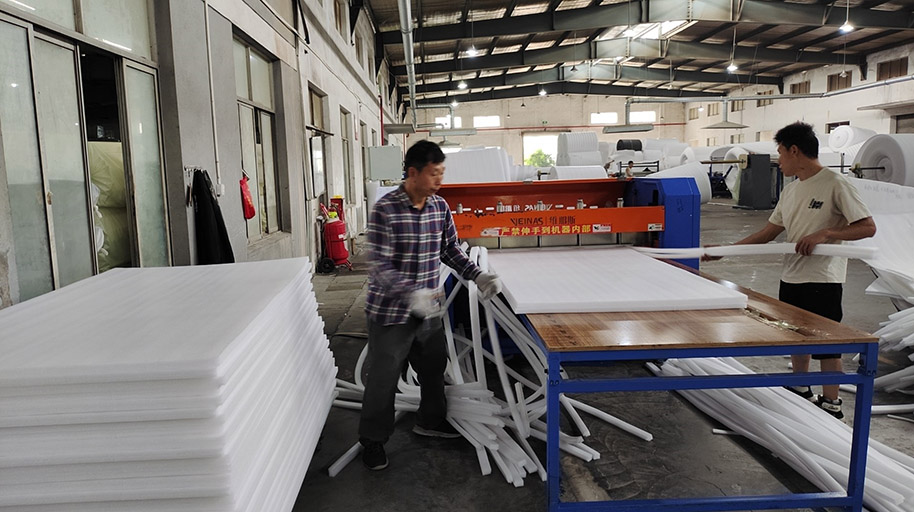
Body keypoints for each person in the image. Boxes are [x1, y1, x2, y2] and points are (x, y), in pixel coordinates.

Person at [703, 122, 876, 419]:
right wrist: (726, 250)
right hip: (791, 275)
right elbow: (768, 233)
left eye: (781, 153)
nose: (779, 160)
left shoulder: (835, 184)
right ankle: (800, 386)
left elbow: (867, 227)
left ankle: (831, 401)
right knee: (796, 335)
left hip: (823, 278)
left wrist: (826, 233)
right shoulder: (792, 190)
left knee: (826, 341)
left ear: (794, 150)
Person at [359, 140, 502, 470]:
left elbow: (450, 250)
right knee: (383, 378)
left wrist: (478, 275)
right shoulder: (386, 210)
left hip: (429, 311)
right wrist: (411, 294)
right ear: (413, 173)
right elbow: (379, 265)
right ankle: (373, 441)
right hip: (391, 314)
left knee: (434, 369)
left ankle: (430, 421)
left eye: (442, 173)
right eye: (434, 173)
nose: (440, 180)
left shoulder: (439, 207)